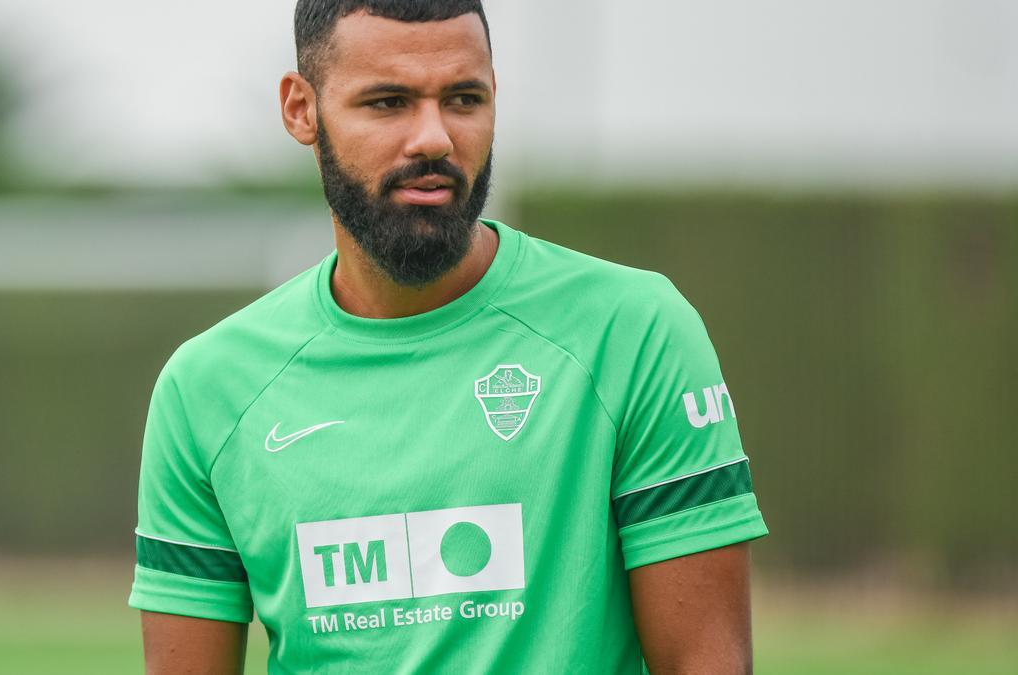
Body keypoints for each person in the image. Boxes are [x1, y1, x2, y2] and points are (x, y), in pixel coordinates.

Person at [129, 1, 768, 673]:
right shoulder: (206, 389)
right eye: (388, 102)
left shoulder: (635, 332)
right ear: (300, 109)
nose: (433, 138)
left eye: (464, 98)